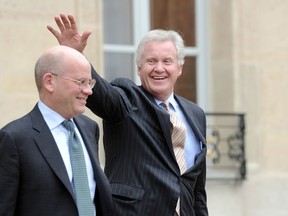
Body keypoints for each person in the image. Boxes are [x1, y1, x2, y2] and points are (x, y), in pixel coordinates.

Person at [48, 14, 209, 216]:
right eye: (151, 61)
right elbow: (102, 96)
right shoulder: (126, 99)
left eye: (167, 61)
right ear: (139, 68)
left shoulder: (196, 114)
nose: (159, 68)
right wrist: (78, 58)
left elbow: (197, 191)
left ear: (179, 68)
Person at [0, 45, 113, 216]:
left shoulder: (90, 129)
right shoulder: (13, 138)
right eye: (81, 82)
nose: (89, 91)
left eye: (90, 83)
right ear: (49, 82)